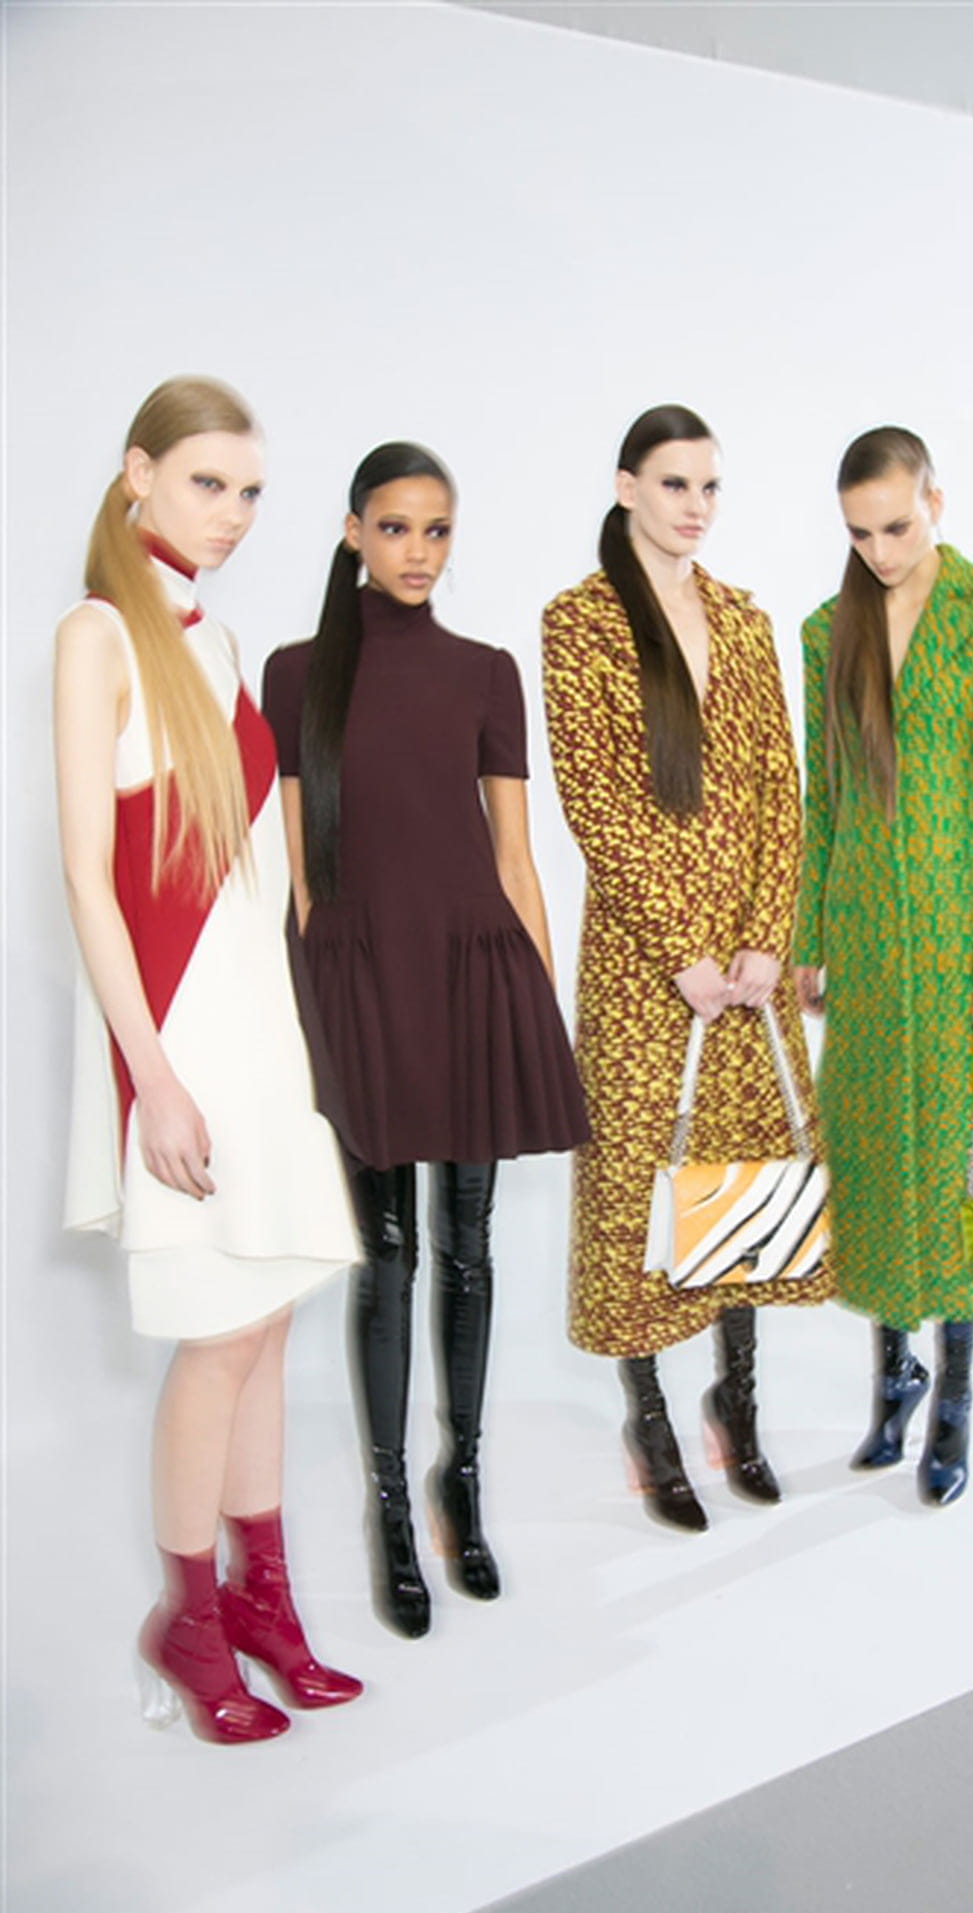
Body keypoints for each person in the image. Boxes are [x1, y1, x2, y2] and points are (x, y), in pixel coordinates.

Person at [55, 377, 363, 1744]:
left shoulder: (221, 641)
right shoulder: (96, 635)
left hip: (257, 1024)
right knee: (217, 1334)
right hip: (178, 1030)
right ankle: (188, 1621)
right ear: (139, 473)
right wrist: (156, 1081)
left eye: (248, 493)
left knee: (271, 1317)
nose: (232, 514)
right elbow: (87, 876)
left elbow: (251, 876)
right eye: (206, 485)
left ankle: (262, 1603)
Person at [262, 442, 587, 1636]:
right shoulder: (297, 674)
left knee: (470, 1246)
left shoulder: (486, 671)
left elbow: (514, 859)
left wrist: (539, 1010)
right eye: (394, 527)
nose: (417, 551)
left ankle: (465, 1480)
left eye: (436, 529)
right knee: (386, 1251)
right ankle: (391, 1508)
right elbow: (302, 878)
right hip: (363, 983)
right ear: (353, 531)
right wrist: (318, 1017)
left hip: (472, 977)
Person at [542, 404, 829, 1535]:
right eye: (673, 484)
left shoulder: (744, 617)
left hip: (747, 968)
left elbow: (779, 786)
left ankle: (735, 1399)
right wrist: (682, 949)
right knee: (641, 1185)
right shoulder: (579, 621)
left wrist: (764, 937)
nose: (695, 507)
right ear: (626, 488)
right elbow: (595, 800)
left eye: (709, 486)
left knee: (741, 1175)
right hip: (642, 965)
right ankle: (650, 1418)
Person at [794, 426, 973, 1507]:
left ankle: (953, 1393)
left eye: (896, 526)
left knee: (957, 1166)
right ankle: (893, 1369)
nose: (879, 550)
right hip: (861, 940)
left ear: (934, 504)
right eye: (859, 533)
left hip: (960, 946)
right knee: (873, 1157)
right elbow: (823, 797)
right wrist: (810, 936)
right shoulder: (828, 630)